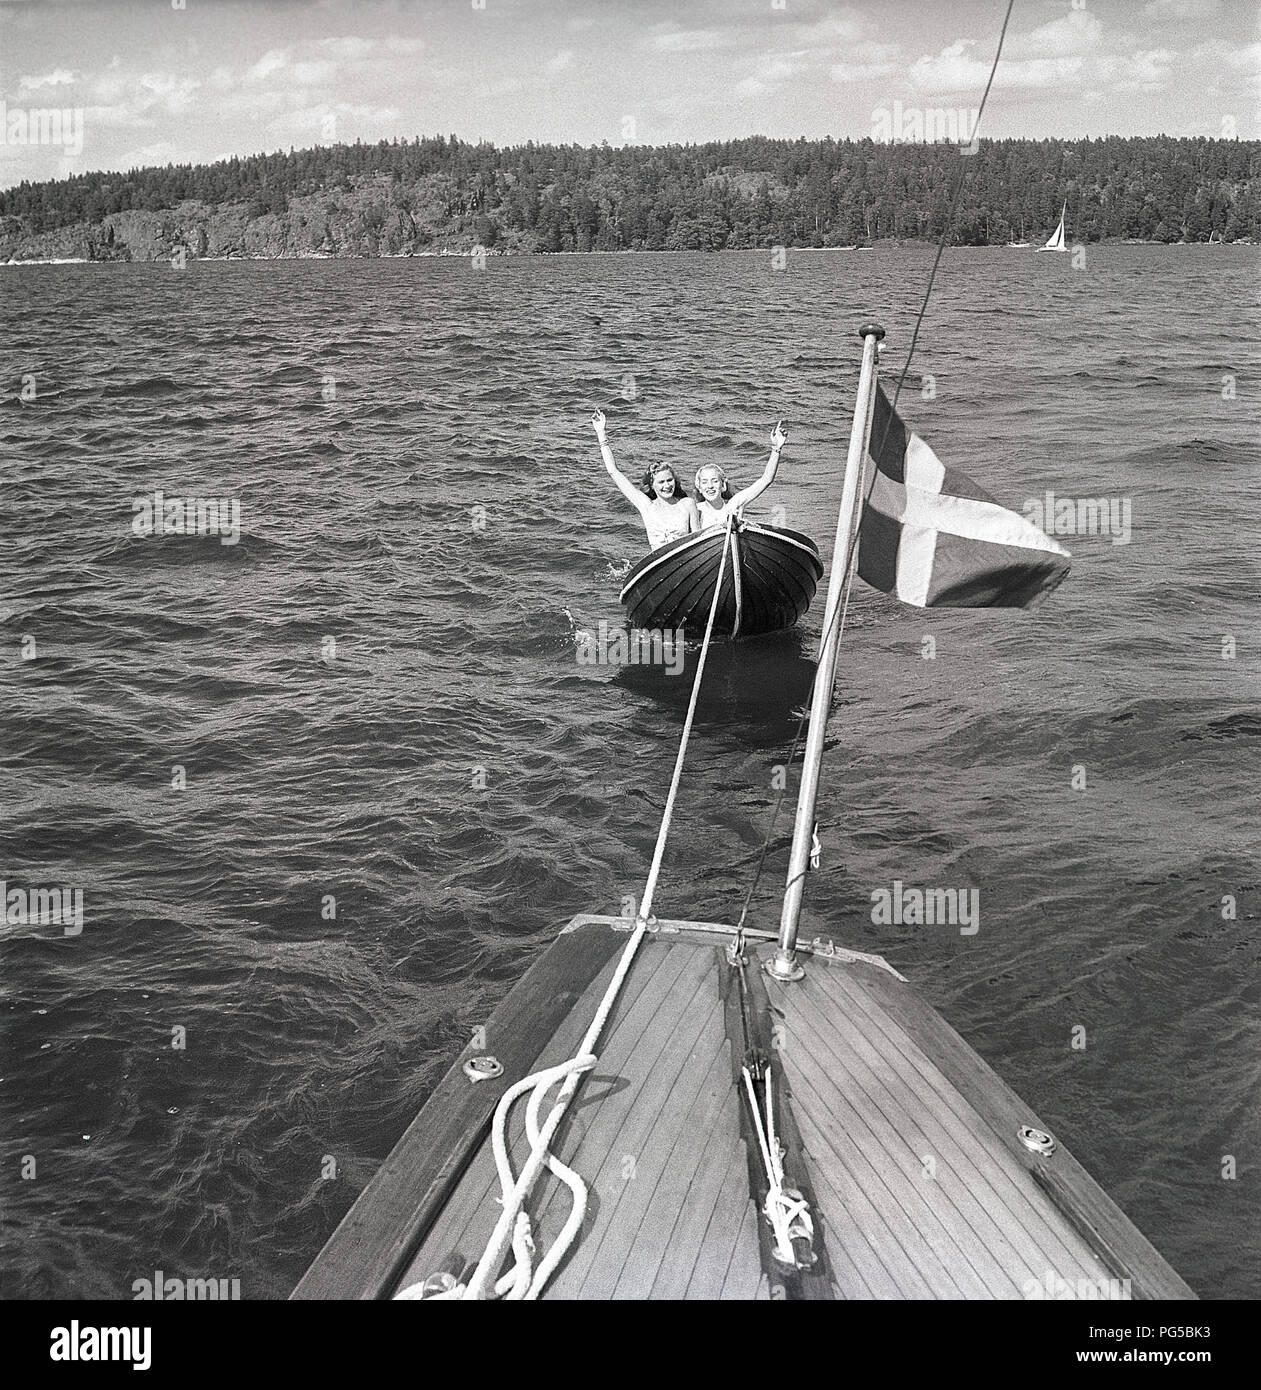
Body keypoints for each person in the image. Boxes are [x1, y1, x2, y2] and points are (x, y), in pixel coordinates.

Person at [591, 409, 699, 550]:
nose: (667, 485)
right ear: (652, 486)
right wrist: (601, 433)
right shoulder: (647, 506)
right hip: (658, 562)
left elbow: (698, 540)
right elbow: (613, 471)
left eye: (669, 480)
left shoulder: (687, 504)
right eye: (661, 482)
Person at [694, 421, 788, 529]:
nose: (710, 486)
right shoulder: (695, 510)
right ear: (699, 488)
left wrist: (776, 449)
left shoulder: (734, 504)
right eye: (704, 482)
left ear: (723, 485)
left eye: (715, 481)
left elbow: (766, 479)